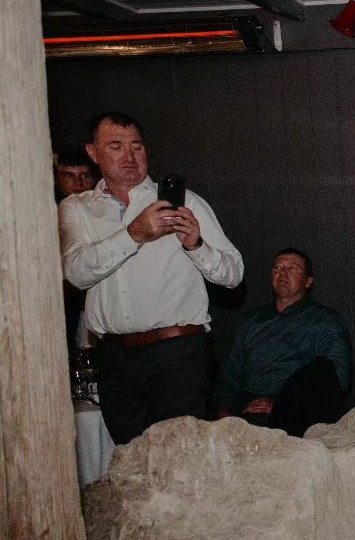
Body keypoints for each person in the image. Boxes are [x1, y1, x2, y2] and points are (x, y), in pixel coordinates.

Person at [59, 111, 243, 445]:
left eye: (137, 147)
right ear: (93, 153)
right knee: (131, 468)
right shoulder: (77, 209)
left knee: (180, 462)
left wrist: (196, 246)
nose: (129, 157)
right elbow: (74, 272)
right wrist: (135, 234)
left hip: (177, 353)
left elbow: (234, 274)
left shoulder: (185, 202)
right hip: (113, 359)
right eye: (116, 146)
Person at [215, 248, 352, 437]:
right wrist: (224, 417)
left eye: (293, 268)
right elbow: (231, 374)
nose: (283, 272)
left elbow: (338, 379)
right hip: (247, 416)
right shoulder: (251, 321)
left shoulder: (325, 321)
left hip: (299, 418)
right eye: (277, 267)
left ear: (308, 281)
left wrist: (282, 403)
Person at [53, 145, 98, 349]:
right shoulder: (45, 215)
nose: (78, 183)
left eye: (84, 175)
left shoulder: (105, 211)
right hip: (59, 309)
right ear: (56, 178)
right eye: (68, 175)